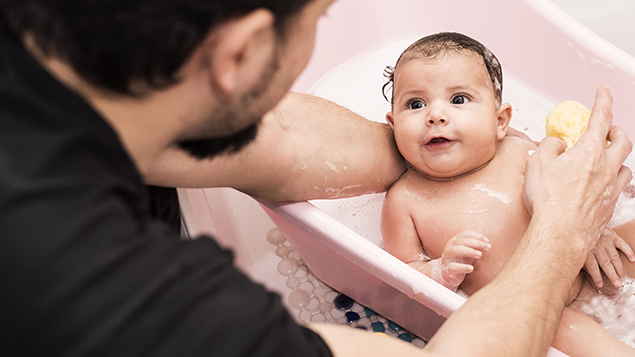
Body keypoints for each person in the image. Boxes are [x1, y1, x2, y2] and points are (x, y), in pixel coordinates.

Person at [0, 1, 631, 356]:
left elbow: (278, 138)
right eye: (322, 16)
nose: (435, 114)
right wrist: (558, 239)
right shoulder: (132, 300)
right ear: (239, 54)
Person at [381, 32, 635, 355]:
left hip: (588, 262)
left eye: (458, 99)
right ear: (392, 124)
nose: (435, 115)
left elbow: (575, 195)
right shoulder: (404, 201)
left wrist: (593, 232)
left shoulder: (519, 150)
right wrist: (440, 270)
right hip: (537, 308)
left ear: (500, 121)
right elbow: (402, 275)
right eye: (415, 104)